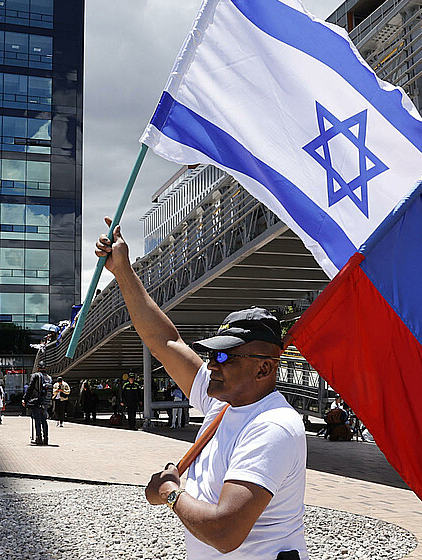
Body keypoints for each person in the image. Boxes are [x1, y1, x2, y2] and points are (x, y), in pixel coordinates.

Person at [97, 219, 308, 559]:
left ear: (264, 367)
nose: (212, 364)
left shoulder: (271, 426)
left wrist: (170, 492)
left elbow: (225, 532)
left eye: (225, 356)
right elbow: (164, 341)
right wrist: (123, 271)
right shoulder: (223, 405)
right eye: (211, 354)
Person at [24, 364, 52, 445]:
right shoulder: (49, 378)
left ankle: (38, 438)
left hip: (36, 401)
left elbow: (30, 388)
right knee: (44, 420)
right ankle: (46, 438)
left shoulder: (36, 376)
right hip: (46, 402)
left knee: (37, 420)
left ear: (38, 368)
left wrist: (25, 399)